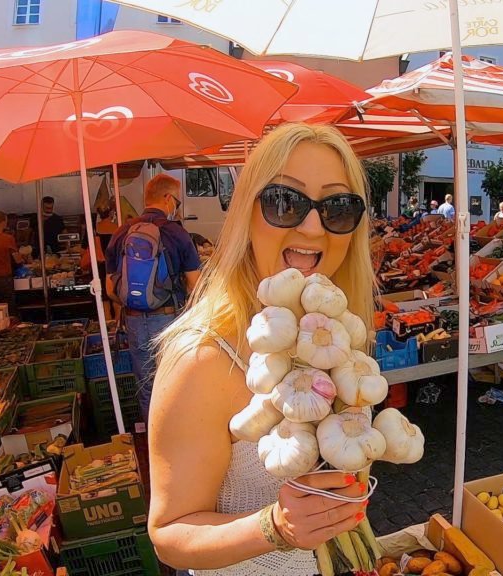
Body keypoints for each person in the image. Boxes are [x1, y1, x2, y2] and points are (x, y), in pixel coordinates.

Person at [148, 124, 372, 574]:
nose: (313, 226)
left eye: (337, 207)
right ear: (246, 214)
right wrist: (275, 527)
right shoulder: (203, 357)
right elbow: (169, 534)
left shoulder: (341, 339)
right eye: (284, 202)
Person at [105, 174, 201, 421]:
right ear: (167, 199)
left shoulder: (121, 232)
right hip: (169, 319)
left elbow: (110, 290)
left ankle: (152, 437)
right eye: (177, 202)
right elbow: (195, 284)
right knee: (174, 382)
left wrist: (136, 302)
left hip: (134, 320)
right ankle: (177, 434)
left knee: (146, 385)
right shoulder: (177, 233)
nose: (176, 207)